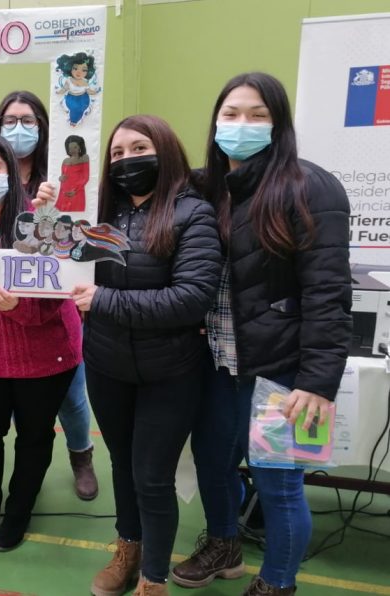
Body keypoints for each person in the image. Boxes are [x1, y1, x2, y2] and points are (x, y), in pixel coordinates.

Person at [170, 72, 352, 596]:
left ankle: (277, 582)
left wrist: (317, 382)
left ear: (279, 124)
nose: (242, 124)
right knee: (213, 463)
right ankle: (223, 546)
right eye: (231, 114)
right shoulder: (206, 188)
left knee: (279, 485)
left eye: (257, 114)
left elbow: (328, 294)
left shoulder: (310, 187)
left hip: (281, 375)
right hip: (217, 363)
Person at [70, 114, 221, 596]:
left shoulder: (192, 213)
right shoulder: (105, 219)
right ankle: (127, 549)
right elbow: (55, 265)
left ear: (164, 150)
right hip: (107, 364)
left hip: (169, 372)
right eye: (117, 153)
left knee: (153, 476)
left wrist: (104, 303)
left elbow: (192, 297)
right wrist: (45, 217)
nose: (127, 160)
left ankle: (153, 579)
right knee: (120, 463)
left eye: (139, 148)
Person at [0, 132, 82, 551]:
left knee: (34, 437)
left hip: (45, 356)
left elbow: (55, 299)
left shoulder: (39, 221)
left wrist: (15, 309)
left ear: (11, 169)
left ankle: (19, 510)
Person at [0, 90, 98, 500]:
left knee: (72, 397)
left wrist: (47, 213)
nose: (18, 129)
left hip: (56, 311)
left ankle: (82, 456)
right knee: (22, 405)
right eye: (10, 121)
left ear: (43, 127)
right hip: (6, 309)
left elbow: (74, 241)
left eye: (28, 121)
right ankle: (28, 472)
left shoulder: (58, 180)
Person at [54, 51, 101, 127]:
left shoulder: (85, 82)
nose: (79, 72)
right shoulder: (69, 80)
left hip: (83, 99)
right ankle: (73, 121)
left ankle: (75, 121)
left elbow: (89, 91)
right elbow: (64, 88)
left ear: (88, 72)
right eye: (75, 68)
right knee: (73, 109)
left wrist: (95, 92)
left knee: (80, 111)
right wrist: (59, 92)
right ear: (70, 68)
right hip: (71, 98)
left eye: (84, 70)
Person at [56, 135, 90, 212]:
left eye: (75, 147)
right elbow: (62, 176)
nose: (72, 150)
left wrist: (75, 190)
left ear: (80, 147)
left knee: (77, 215)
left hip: (77, 192)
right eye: (70, 148)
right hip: (64, 193)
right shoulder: (65, 161)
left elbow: (86, 177)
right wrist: (60, 178)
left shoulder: (84, 158)